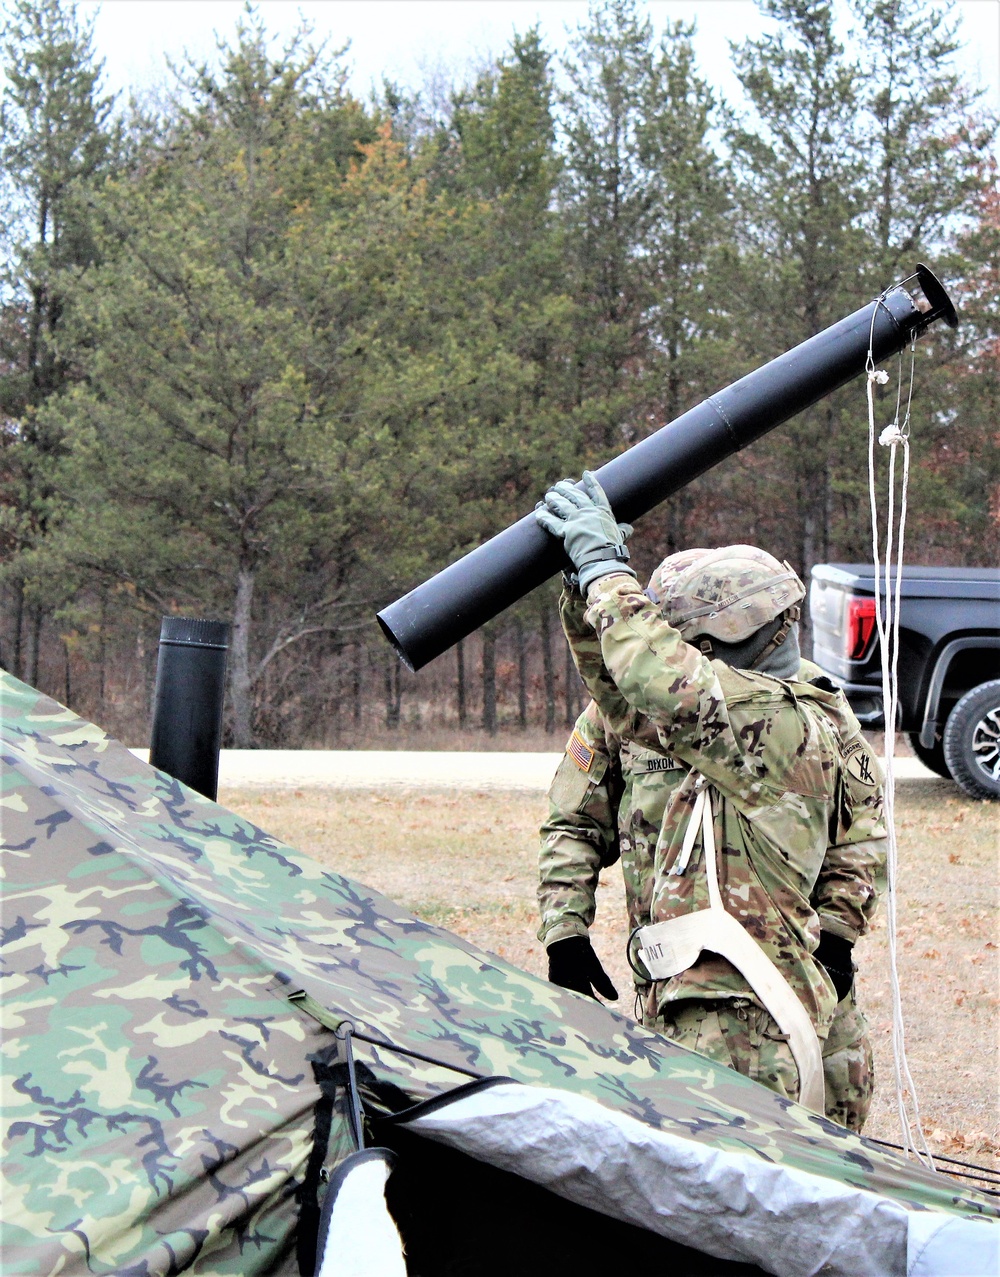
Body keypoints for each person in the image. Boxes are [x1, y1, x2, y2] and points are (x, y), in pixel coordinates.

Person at [534, 472, 886, 1130]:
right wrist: (566, 931)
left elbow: (859, 835)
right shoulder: (686, 704)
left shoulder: (778, 713)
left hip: (757, 1010)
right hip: (688, 1000)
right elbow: (585, 795)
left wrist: (605, 567)